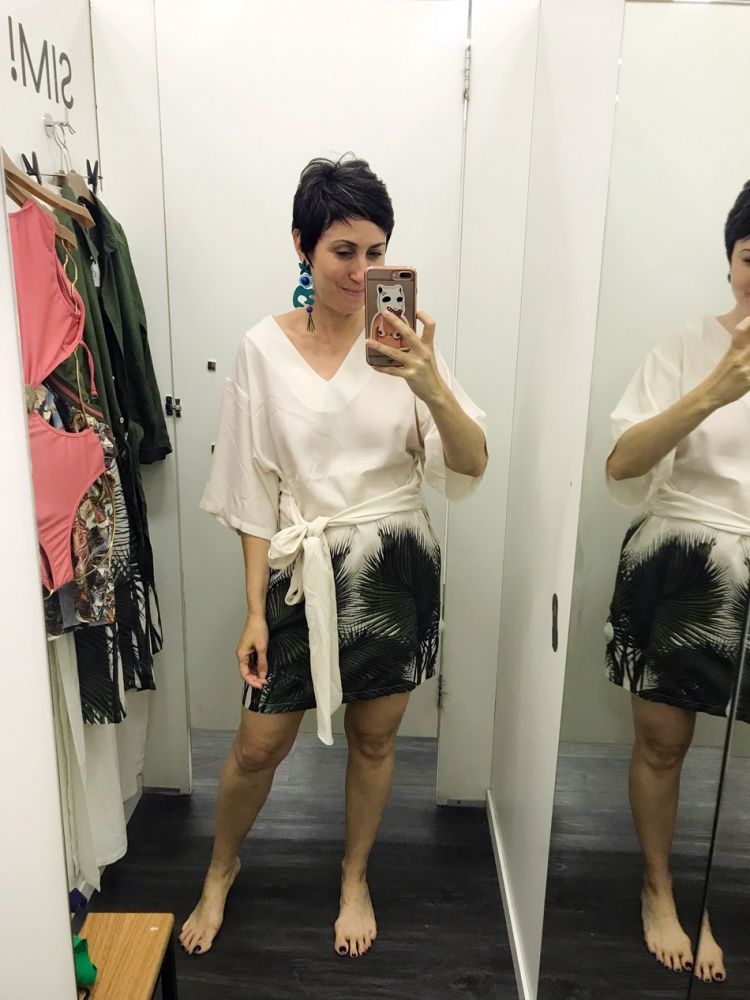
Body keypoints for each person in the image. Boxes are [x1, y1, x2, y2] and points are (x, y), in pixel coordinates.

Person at [180, 155, 487, 959]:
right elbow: (252, 491)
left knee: (374, 740)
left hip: (393, 570)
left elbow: (471, 463)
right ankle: (220, 868)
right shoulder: (260, 350)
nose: (360, 271)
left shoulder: (405, 348)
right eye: (343, 251)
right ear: (302, 246)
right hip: (302, 569)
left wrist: (431, 382)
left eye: (375, 252)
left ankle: (355, 875)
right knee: (257, 745)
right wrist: (254, 610)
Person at [605, 180, 750, 984]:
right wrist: (711, 393)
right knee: (665, 744)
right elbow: (622, 464)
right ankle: (661, 889)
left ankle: (712, 892)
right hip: (684, 565)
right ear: (731, 261)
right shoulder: (686, 348)